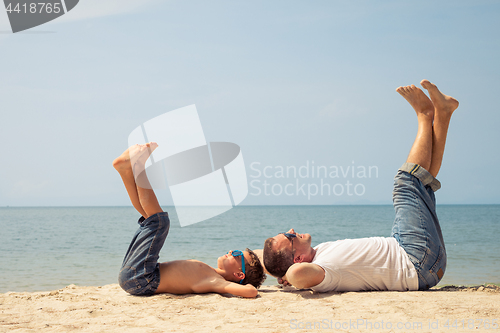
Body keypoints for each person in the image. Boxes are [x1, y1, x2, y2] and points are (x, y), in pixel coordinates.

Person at [263, 80, 459, 292]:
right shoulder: (323, 271)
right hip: (415, 260)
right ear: (299, 259)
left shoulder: (317, 254)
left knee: (422, 182)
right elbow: (296, 273)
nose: (292, 230)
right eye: (289, 236)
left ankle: (444, 113)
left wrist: (280, 267)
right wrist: (288, 274)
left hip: (414, 255)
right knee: (406, 182)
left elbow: (269, 257)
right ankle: (424, 115)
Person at [113, 142, 265, 297]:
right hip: (138, 275)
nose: (232, 251)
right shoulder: (211, 272)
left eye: (238, 254)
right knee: (150, 219)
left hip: (141, 279)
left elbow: (251, 291)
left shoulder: (216, 281)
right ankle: (125, 171)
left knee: (159, 222)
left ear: (240, 275)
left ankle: (139, 166)